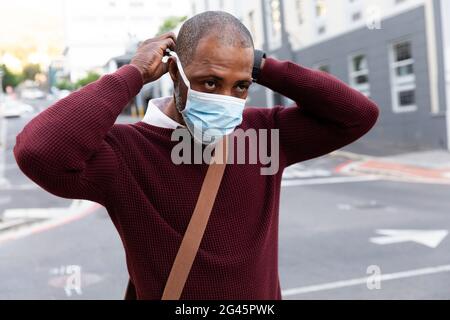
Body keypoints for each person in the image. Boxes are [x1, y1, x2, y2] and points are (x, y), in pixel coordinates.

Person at [14, 11, 379, 300]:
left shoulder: (265, 135)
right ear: (174, 72)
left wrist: (263, 65)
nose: (225, 98)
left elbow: (357, 115)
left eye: (240, 86)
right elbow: (38, 150)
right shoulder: (126, 152)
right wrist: (134, 73)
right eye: (209, 82)